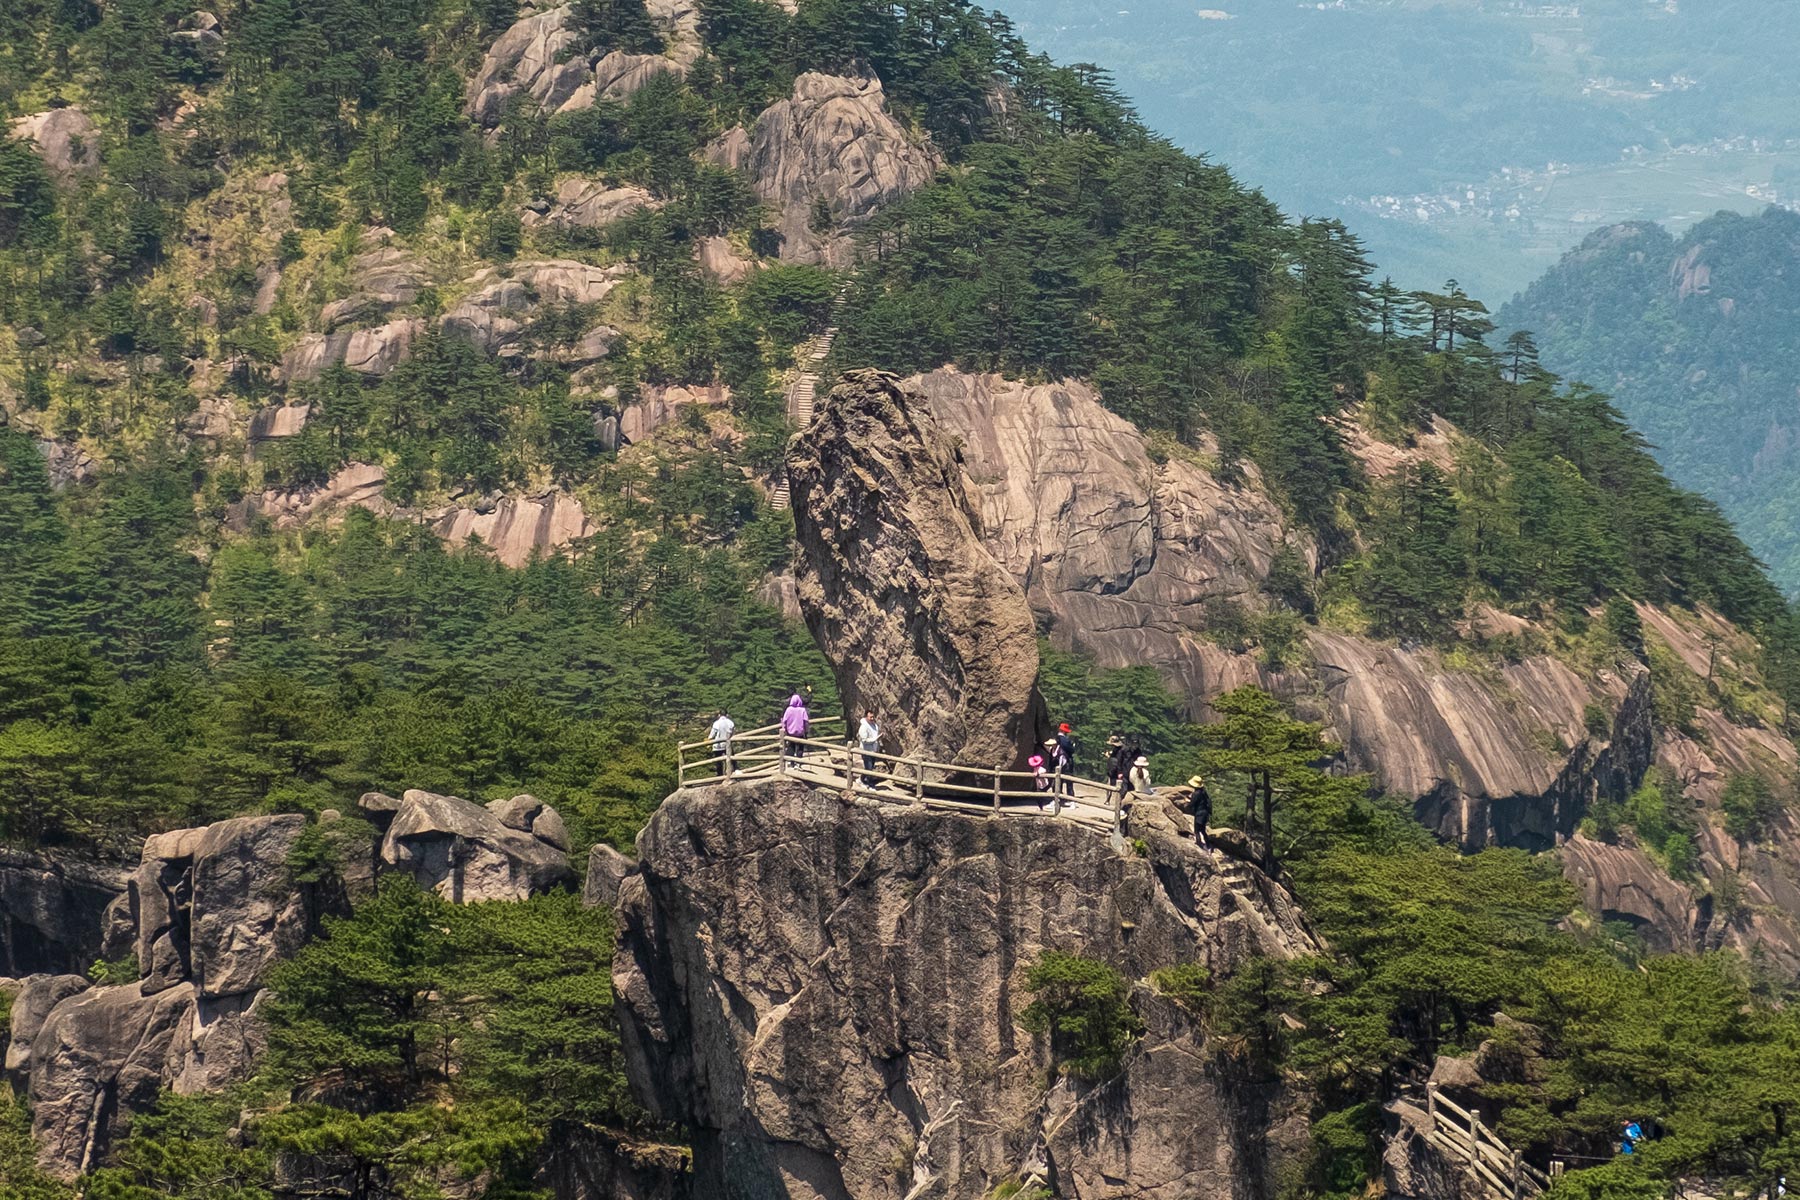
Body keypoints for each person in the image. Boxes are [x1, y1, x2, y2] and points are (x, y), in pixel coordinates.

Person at [780, 693, 810, 766]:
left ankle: (790, 762)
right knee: (800, 747)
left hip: (790, 732)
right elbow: (806, 721)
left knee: (791, 746)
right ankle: (798, 762)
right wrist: (806, 730)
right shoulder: (802, 710)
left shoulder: (788, 710)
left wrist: (784, 729)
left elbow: (784, 721)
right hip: (800, 732)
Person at [1186, 775, 1212, 848]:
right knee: (1203, 831)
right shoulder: (1203, 792)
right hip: (1205, 813)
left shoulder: (1196, 793)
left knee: (1196, 830)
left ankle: (1199, 844)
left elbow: (1192, 804)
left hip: (1199, 814)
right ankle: (1208, 845)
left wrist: (1187, 801)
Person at [857, 709, 882, 786]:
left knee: (870, 767)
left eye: (873, 717)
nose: (872, 718)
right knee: (869, 768)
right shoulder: (863, 727)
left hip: (873, 750)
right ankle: (869, 783)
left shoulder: (874, 725)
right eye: (870, 717)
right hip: (866, 750)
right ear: (866, 717)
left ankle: (861, 779)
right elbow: (864, 740)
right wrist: (875, 739)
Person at [708, 710, 735, 777]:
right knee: (731, 759)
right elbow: (733, 732)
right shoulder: (730, 722)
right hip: (727, 744)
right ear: (727, 715)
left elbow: (712, 735)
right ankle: (732, 772)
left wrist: (708, 740)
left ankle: (719, 776)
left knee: (718, 761)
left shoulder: (716, 723)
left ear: (719, 715)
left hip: (718, 745)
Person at [1055, 723, 1076, 796]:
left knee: (1057, 780)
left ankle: (1057, 796)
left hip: (1057, 761)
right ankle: (1070, 798)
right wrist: (1072, 746)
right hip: (1066, 761)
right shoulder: (1064, 740)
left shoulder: (1055, 738)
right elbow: (1071, 750)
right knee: (1069, 780)